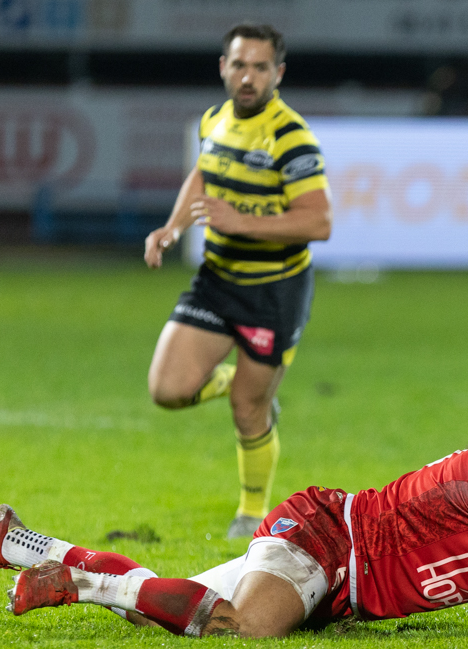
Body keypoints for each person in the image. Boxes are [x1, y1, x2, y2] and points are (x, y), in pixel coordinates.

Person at [0, 447, 468, 638]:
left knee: (166, 604)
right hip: (329, 539)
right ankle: (83, 584)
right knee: (248, 628)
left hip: (343, 591)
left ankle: (17, 543)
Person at [143, 23, 332, 539]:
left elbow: (319, 221)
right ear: (223, 66)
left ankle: (251, 513)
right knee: (167, 389)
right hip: (218, 279)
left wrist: (241, 222)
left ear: (278, 73)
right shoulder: (214, 120)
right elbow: (202, 175)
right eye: (239, 64)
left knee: (248, 412)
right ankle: (241, 381)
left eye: (260, 67)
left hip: (273, 292)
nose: (248, 77)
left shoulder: (290, 137)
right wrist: (173, 226)